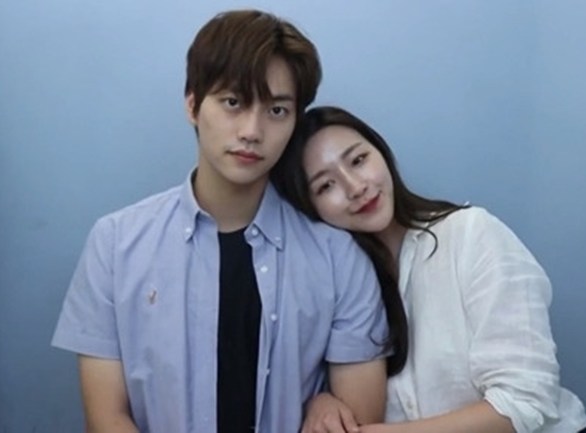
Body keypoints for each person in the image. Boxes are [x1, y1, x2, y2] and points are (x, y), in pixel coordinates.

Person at [51, 12, 391, 433]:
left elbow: (359, 421)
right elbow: (106, 419)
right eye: (233, 102)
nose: (252, 131)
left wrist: (322, 402)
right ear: (192, 105)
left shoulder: (338, 258)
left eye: (277, 110)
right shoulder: (116, 244)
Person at [273, 106, 586, 433]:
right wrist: (320, 401)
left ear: (381, 153)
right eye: (326, 186)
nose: (355, 187)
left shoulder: (471, 234)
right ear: (308, 208)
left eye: (358, 160)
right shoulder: (339, 288)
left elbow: (526, 402)